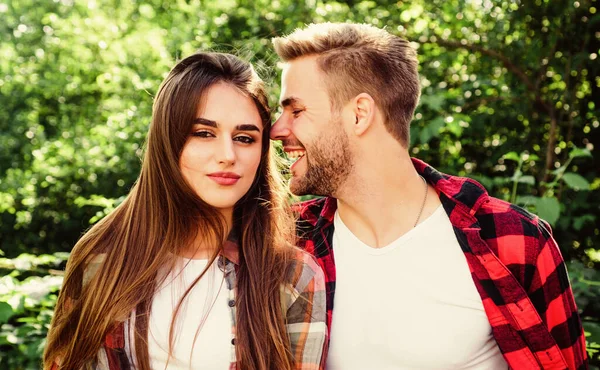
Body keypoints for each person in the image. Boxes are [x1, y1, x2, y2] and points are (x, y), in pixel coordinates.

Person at [270, 22, 588, 369]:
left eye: (296, 111)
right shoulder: (288, 243)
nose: (276, 129)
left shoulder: (513, 240)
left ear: (359, 114)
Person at [44, 52, 327, 370]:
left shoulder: (292, 276)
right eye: (204, 133)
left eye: (245, 138)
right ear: (169, 141)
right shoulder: (103, 259)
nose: (227, 155)